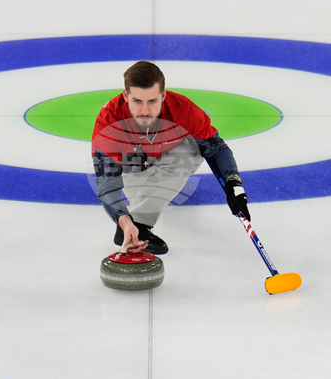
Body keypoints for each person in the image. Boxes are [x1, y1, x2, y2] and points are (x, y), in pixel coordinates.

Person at [92, 61, 248, 254]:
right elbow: (107, 183)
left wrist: (234, 184)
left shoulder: (182, 109)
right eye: (137, 101)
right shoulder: (109, 121)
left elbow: (216, 148)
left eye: (152, 101)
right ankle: (136, 221)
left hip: (169, 160)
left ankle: (140, 223)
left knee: (191, 150)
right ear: (126, 96)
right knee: (142, 194)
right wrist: (123, 220)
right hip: (135, 168)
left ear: (163, 96)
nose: (145, 111)